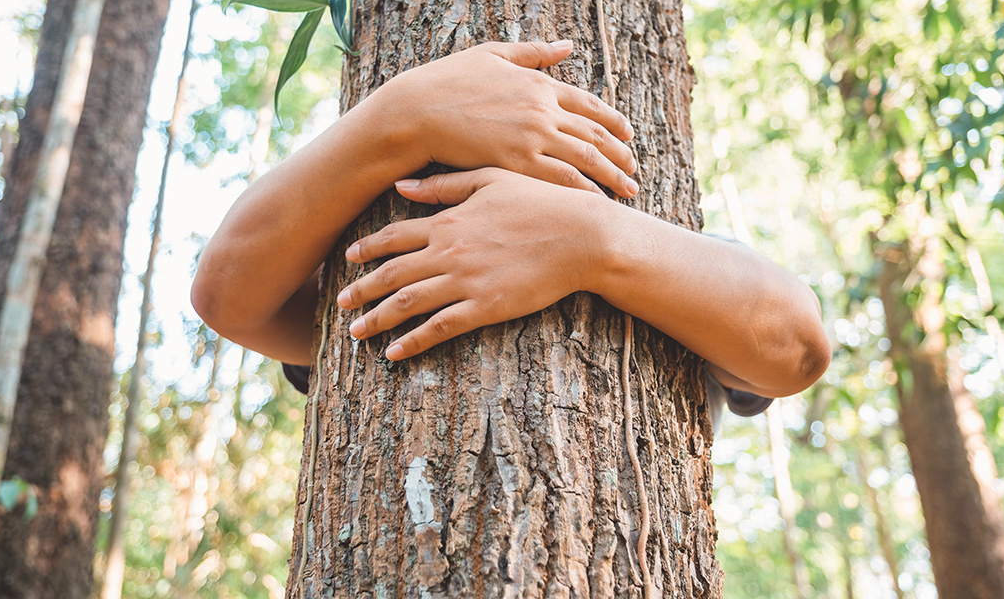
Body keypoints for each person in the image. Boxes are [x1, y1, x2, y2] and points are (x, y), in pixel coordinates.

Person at [190, 40, 831, 417]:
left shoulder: (692, 270)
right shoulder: (351, 259)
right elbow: (225, 294)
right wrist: (406, 115)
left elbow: (797, 347)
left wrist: (587, 237)